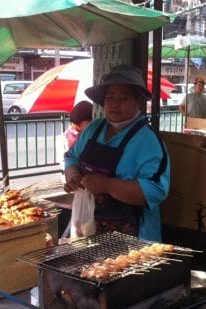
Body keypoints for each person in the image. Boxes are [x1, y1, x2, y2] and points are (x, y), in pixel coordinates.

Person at [63, 64, 170, 242]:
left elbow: (156, 190)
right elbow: (72, 157)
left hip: (133, 239)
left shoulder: (148, 141)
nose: (114, 103)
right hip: (88, 230)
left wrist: (107, 185)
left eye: (123, 97)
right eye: (110, 97)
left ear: (137, 101)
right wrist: (73, 174)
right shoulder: (93, 129)